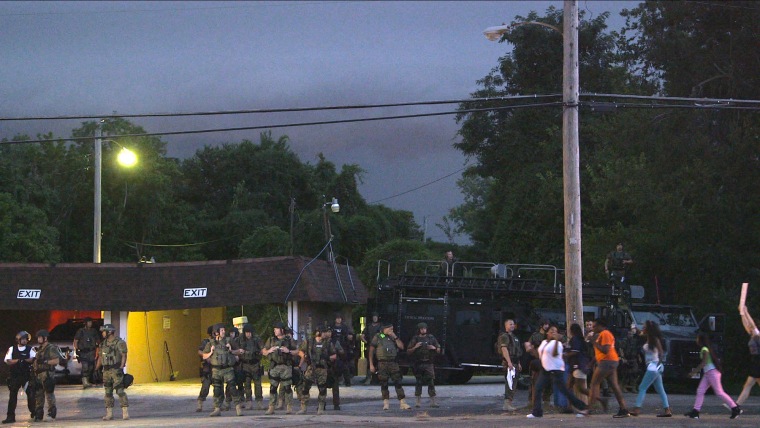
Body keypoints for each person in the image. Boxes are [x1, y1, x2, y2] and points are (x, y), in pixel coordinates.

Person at [526, 325, 589, 418]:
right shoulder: (543, 342)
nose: (553, 332)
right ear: (547, 332)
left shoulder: (558, 344)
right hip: (545, 369)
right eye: (551, 330)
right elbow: (539, 356)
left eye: (555, 331)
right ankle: (537, 412)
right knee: (538, 388)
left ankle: (583, 407)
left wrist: (556, 341)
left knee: (564, 390)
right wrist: (531, 349)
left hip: (556, 369)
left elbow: (555, 354)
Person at [684, 333, 742, 419]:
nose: (696, 340)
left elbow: (703, 363)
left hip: (712, 373)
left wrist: (693, 372)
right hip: (708, 373)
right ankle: (695, 411)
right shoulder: (706, 348)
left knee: (719, 392)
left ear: (700, 340)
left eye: (697, 338)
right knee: (700, 391)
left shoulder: (704, 349)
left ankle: (735, 408)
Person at [587, 318, 630, 418]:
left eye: (594, 326)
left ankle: (589, 409)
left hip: (607, 361)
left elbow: (605, 350)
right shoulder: (603, 334)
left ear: (601, 326)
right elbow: (599, 352)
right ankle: (623, 409)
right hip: (610, 361)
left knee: (594, 383)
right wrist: (592, 362)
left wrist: (594, 342)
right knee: (614, 386)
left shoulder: (605, 333)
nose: (593, 328)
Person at [630, 320, 671, 417]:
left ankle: (637, 409)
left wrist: (658, 365)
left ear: (648, 329)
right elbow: (640, 333)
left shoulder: (654, 340)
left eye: (644, 327)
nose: (643, 328)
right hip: (655, 367)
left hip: (654, 366)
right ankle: (667, 410)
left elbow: (661, 353)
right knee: (660, 389)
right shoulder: (649, 337)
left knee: (642, 387)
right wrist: (635, 328)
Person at [201, 323, 244, 417]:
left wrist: (231, 350)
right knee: (217, 389)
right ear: (216, 332)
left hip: (228, 369)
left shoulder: (229, 340)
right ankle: (217, 408)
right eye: (222, 330)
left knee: (232, 387)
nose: (224, 332)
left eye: (224, 330)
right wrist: (211, 352)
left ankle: (238, 407)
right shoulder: (211, 343)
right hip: (216, 369)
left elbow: (240, 351)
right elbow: (204, 356)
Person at [368, 322, 412, 411]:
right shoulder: (378, 337)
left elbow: (402, 347)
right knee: (384, 383)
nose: (392, 330)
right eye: (390, 329)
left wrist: (395, 337)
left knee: (398, 382)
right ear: (384, 329)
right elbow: (371, 351)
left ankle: (402, 403)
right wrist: (371, 364)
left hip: (393, 363)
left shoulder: (393, 338)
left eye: (392, 329)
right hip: (382, 363)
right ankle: (386, 403)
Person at [297, 326, 339, 415]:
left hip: (322, 368)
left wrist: (327, 357)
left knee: (322, 389)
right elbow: (300, 351)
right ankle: (303, 407)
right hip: (311, 368)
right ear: (318, 333)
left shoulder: (327, 343)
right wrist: (304, 356)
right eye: (323, 332)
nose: (325, 334)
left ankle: (320, 408)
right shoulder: (309, 342)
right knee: (305, 388)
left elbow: (334, 355)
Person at [262, 321, 297, 415]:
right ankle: (271, 407)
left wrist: (288, 351)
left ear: (281, 330)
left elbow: (297, 351)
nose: (275, 331)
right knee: (273, 388)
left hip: (286, 366)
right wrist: (269, 350)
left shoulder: (289, 340)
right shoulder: (271, 340)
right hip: (275, 366)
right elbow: (263, 351)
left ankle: (289, 407)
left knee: (287, 388)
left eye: (276, 329)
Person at [95, 324, 130, 421]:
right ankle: (109, 413)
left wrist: (122, 366)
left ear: (109, 332)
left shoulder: (119, 342)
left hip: (116, 369)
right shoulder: (103, 344)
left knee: (120, 390)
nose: (102, 333)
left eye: (104, 331)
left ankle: (125, 412)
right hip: (106, 370)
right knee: (108, 392)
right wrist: (96, 369)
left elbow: (124, 355)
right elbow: (100, 357)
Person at [3, 331, 35, 424]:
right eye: (23, 339)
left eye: (26, 339)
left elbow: (34, 359)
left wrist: (24, 361)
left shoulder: (30, 349)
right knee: (12, 397)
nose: (25, 341)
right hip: (15, 376)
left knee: (31, 395)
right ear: (18, 340)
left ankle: (34, 412)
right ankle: (10, 417)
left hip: (26, 376)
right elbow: (7, 360)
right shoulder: (12, 349)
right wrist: (17, 361)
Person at [407, 322, 442, 408]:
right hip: (418, 363)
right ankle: (418, 402)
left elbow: (439, 349)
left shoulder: (431, 337)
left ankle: (433, 401)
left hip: (428, 363)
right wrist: (415, 347)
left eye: (424, 328)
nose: (423, 330)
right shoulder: (415, 338)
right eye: (422, 328)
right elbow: (408, 351)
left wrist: (434, 348)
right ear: (419, 330)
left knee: (431, 382)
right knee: (419, 382)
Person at [31, 329, 62, 422]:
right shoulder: (40, 349)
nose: (38, 339)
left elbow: (57, 361)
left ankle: (51, 414)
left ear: (45, 338)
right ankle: (39, 414)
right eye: (38, 337)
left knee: (49, 394)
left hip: (47, 374)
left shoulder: (50, 348)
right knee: (38, 395)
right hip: (39, 375)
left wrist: (45, 361)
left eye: (40, 337)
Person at [236, 323, 265, 410]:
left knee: (258, 384)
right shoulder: (240, 339)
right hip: (245, 364)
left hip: (255, 363)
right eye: (246, 332)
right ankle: (249, 402)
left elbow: (262, 349)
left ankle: (259, 401)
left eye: (249, 332)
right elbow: (235, 348)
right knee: (247, 384)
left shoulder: (256, 339)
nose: (248, 334)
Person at [736, 304, 760, 406]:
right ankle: (736, 406)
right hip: (755, 361)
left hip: (758, 362)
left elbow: (752, 325)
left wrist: (746, 311)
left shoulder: (758, 334)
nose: (748, 327)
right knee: (748, 385)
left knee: (748, 385)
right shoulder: (752, 335)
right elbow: (746, 324)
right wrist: (742, 313)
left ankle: (736, 406)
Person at [498, 319, 523, 412]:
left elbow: (517, 351)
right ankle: (506, 403)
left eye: (513, 324)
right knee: (510, 383)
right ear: (506, 326)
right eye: (510, 324)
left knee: (514, 382)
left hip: (515, 361)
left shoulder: (515, 337)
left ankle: (509, 402)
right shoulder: (504, 336)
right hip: (509, 362)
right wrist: (509, 362)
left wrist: (519, 363)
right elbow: (504, 349)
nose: (512, 325)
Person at [524, 319, 550, 406]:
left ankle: (546, 400)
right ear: (541, 325)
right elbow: (529, 347)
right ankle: (532, 400)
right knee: (534, 381)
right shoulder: (535, 336)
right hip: (537, 360)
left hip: (547, 361)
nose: (547, 326)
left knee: (548, 382)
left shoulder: (548, 335)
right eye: (545, 324)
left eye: (547, 324)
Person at [565, 323, 590, 405]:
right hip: (575, 365)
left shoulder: (575, 339)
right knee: (569, 387)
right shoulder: (579, 339)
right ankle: (570, 407)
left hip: (578, 365)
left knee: (581, 388)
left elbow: (575, 352)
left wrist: (565, 355)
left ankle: (597, 399)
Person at [72, 317, 100, 389]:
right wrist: (77, 349)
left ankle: (87, 381)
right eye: (89, 322)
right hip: (83, 351)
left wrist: (98, 350)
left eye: (91, 322)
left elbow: (98, 341)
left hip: (91, 351)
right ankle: (85, 382)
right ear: (85, 323)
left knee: (91, 367)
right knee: (85, 367)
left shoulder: (93, 331)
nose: (90, 324)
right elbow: (76, 341)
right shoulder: (81, 331)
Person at [330, 313, 354, 388]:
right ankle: (336, 380)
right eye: (337, 318)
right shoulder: (332, 327)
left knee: (345, 365)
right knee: (334, 365)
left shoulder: (344, 327)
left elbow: (349, 336)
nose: (338, 320)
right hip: (333, 347)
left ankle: (347, 381)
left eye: (340, 318)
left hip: (343, 347)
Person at [618, 323, 643, 393]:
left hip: (633, 358)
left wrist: (639, 357)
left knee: (635, 373)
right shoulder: (625, 340)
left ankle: (633, 387)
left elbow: (636, 349)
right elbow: (621, 348)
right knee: (625, 374)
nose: (631, 333)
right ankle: (623, 387)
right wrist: (622, 357)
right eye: (630, 332)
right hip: (626, 358)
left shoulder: (635, 340)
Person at [361, 312, 382, 385]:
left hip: (378, 347)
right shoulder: (368, 326)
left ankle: (377, 379)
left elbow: (383, 335)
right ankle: (368, 378)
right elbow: (363, 335)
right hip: (370, 346)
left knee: (378, 363)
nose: (375, 318)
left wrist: (380, 338)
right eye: (374, 317)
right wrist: (365, 341)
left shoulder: (380, 326)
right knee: (370, 362)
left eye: (376, 317)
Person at [196, 325, 214, 412]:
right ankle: (200, 402)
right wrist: (206, 357)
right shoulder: (205, 342)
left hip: (217, 368)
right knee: (205, 387)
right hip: (207, 368)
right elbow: (199, 351)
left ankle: (218, 404)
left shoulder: (219, 341)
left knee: (218, 388)